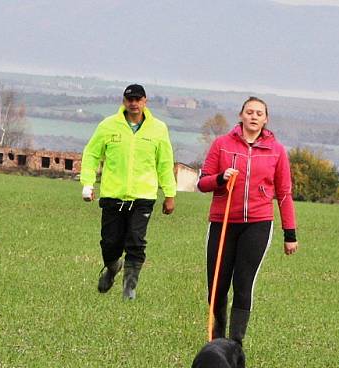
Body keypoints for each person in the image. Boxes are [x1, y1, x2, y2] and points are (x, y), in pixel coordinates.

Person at [198, 96, 298, 344]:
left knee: (243, 283)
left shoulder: (277, 151)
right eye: (249, 112)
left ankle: (235, 343)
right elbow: (203, 182)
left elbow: (284, 193)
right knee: (217, 286)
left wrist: (290, 234)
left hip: (258, 223)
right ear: (241, 115)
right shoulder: (221, 144)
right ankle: (216, 340)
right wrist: (221, 177)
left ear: (266, 119)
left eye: (259, 113)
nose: (254, 116)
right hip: (222, 223)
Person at [80, 84, 176, 299]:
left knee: (136, 241)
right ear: (124, 101)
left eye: (138, 99)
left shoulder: (158, 129)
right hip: (113, 195)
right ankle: (113, 267)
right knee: (109, 243)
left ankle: (129, 288)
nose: (134, 103)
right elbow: (91, 155)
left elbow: (165, 163)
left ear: (145, 101)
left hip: (143, 196)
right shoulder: (108, 125)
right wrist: (88, 183)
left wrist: (170, 194)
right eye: (129, 99)